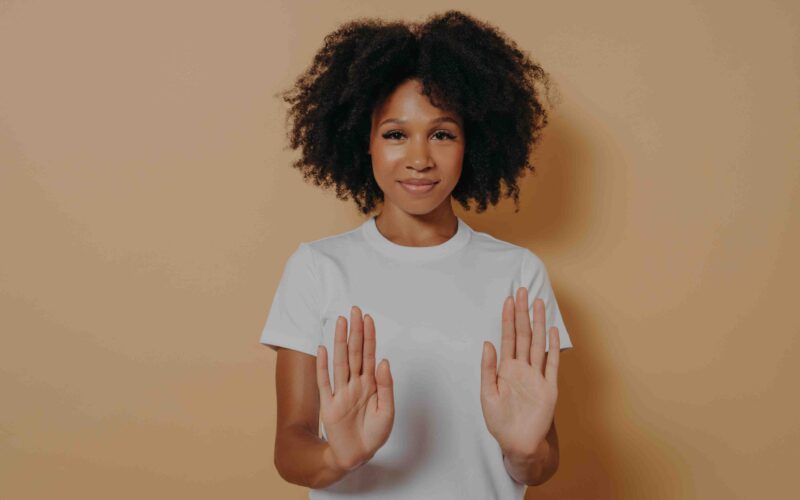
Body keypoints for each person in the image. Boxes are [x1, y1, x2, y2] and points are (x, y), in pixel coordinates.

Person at [260, 10, 574, 499]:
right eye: (395, 133)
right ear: (363, 140)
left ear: (472, 144)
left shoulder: (518, 273)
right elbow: (289, 449)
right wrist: (338, 455)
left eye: (442, 133)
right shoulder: (317, 268)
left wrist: (524, 450)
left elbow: (540, 461)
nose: (419, 157)